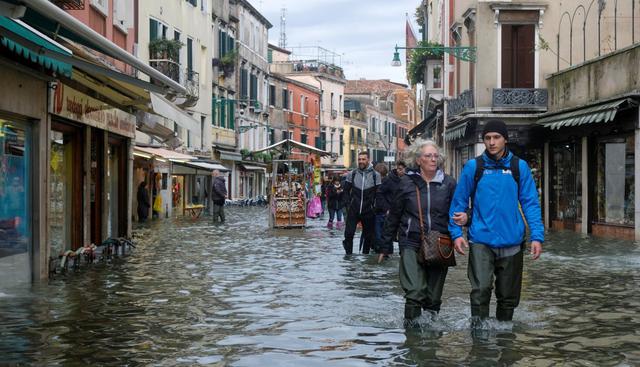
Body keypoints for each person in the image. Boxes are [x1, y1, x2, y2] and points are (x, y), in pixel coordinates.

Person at [448, 119, 543, 324]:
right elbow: (458, 203)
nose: (491, 142)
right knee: (480, 289)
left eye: (496, 137)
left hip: (512, 241)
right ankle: (479, 335)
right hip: (481, 240)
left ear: (505, 139)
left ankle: (504, 336)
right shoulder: (474, 167)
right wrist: (456, 235)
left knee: (508, 297)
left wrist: (537, 236)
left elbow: (531, 204)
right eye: (488, 138)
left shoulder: (519, 167)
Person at [379, 138, 466, 326]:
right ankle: (412, 337)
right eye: (428, 156)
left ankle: (431, 341)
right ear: (418, 160)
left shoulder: (449, 184)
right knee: (415, 292)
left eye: (436, 156)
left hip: (440, 242)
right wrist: (385, 246)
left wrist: (465, 219)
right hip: (410, 241)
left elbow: (462, 211)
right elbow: (394, 215)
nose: (433, 159)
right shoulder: (406, 183)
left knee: (433, 298)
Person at [342, 151, 381, 255]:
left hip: (368, 210)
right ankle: (349, 257)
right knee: (349, 234)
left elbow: (379, 194)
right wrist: (348, 205)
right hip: (353, 209)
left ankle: (365, 257)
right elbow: (345, 190)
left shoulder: (375, 175)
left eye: (363, 159)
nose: (361, 161)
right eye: (359, 159)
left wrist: (375, 207)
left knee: (368, 236)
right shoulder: (352, 174)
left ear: (368, 160)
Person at [374, 161, 406, 254]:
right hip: (385, 214)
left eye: (402, 169)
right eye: (399, 169)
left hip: (400, 215)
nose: (400, 171)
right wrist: (387, 209)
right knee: (383, 238)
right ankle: (384, 256)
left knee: (395, 239)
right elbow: (379, 194)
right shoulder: (389, 180)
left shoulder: (407, 181)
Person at [373, 163, 389, 253]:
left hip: (385, 213)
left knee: (383, 236)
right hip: (377, 213)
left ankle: (384, 252)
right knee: (378, 236)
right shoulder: (374, 183)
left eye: (382, 176)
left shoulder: (388, 183)